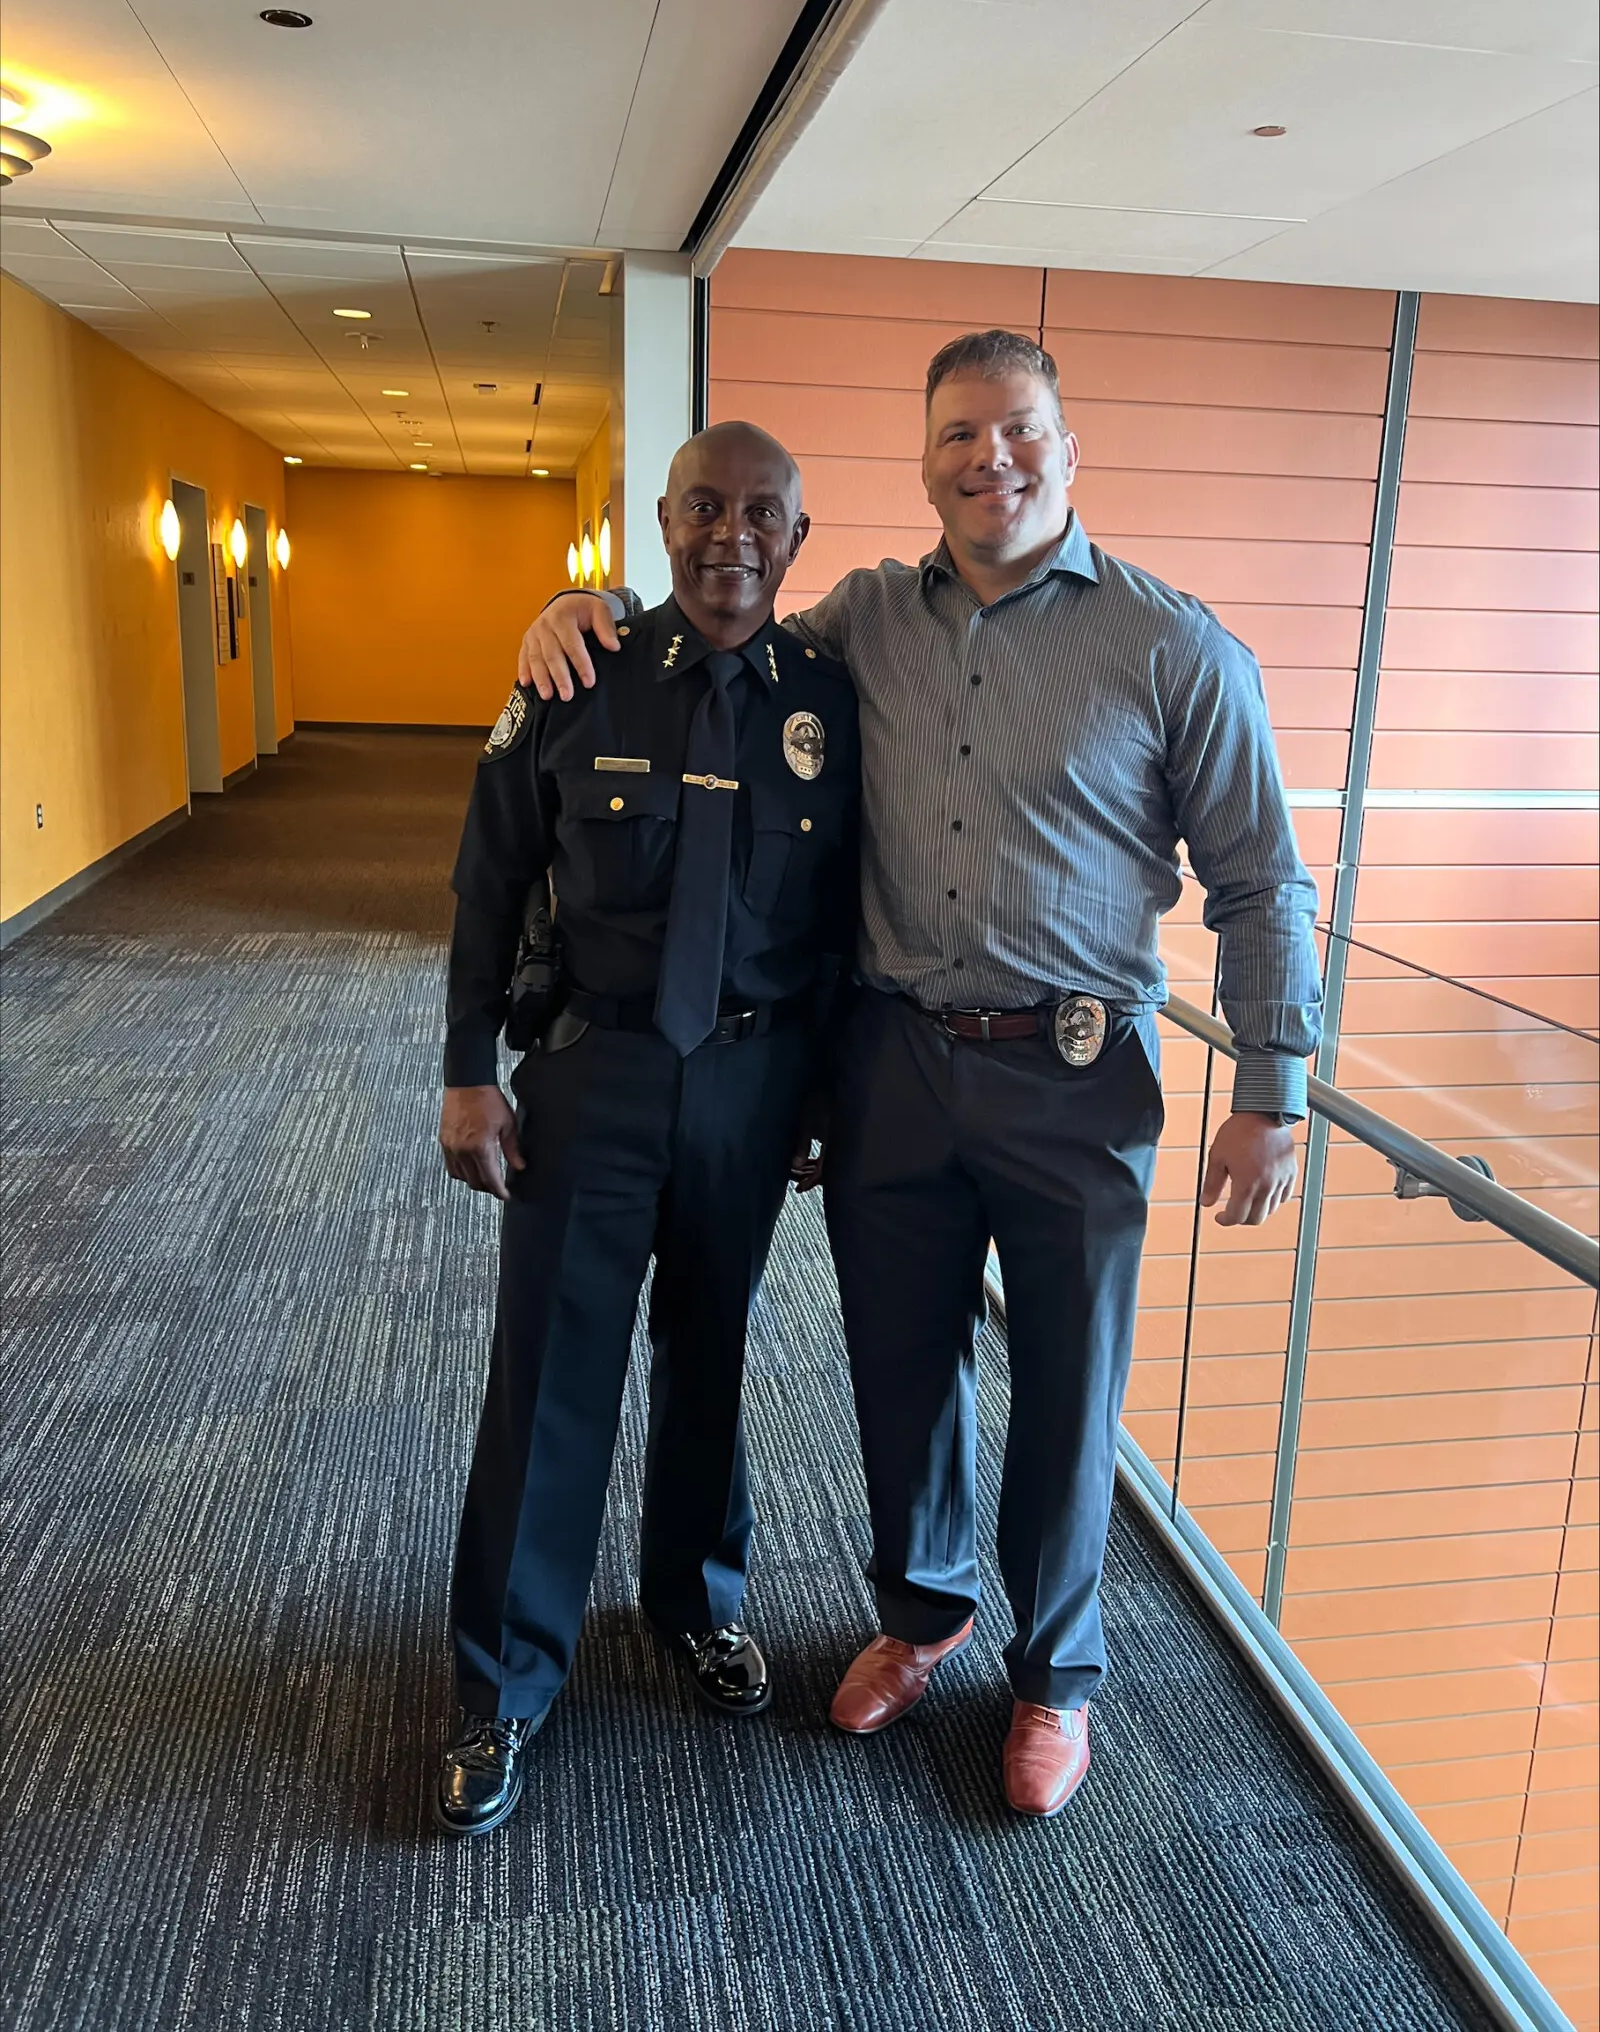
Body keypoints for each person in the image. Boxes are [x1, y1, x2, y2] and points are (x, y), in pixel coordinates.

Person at [517, 330, 1321, 1819]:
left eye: (1015, 432)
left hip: (1077, 1080)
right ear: (926, 461)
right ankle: (926, 1613)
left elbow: (1261, 880)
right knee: (900, 1372)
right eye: (957, 436)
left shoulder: (1172, 647)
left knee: (1069, 1393)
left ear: (1067, 452)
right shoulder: (865, 619)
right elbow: (723, 624)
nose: (987, 460)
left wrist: (1272, 1088)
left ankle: (1055, 1676)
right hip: (891, 1063)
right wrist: (589, 612)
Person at [436, 421, 858, 1836]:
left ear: (799, 540)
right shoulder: (576, 669)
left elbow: (849, 922)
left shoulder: (829, 699)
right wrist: (463, 1067)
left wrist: (821, 1097)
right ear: (660, 526)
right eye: (704, 509)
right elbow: (488, 879)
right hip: (594, 1073)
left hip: (749, 1088)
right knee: (552, 1375)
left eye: (762, 514)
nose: (731, 534)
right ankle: (504, 1683)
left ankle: (695, 1604)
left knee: (715, 1359)